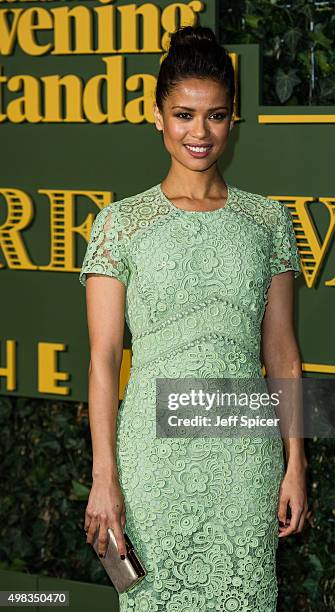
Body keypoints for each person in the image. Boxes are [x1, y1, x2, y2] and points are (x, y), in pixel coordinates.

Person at [79, 24, 308, 612]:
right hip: (151, 463)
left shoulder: (267, 222)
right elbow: (103, 359)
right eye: (183, 115)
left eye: (215, 116)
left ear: (234, 119)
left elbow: (281, 354)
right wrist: (105, 477)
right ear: (157, 116)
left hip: (243, 457)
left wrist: (295, 462)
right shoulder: (119, 225)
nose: (199, 133)